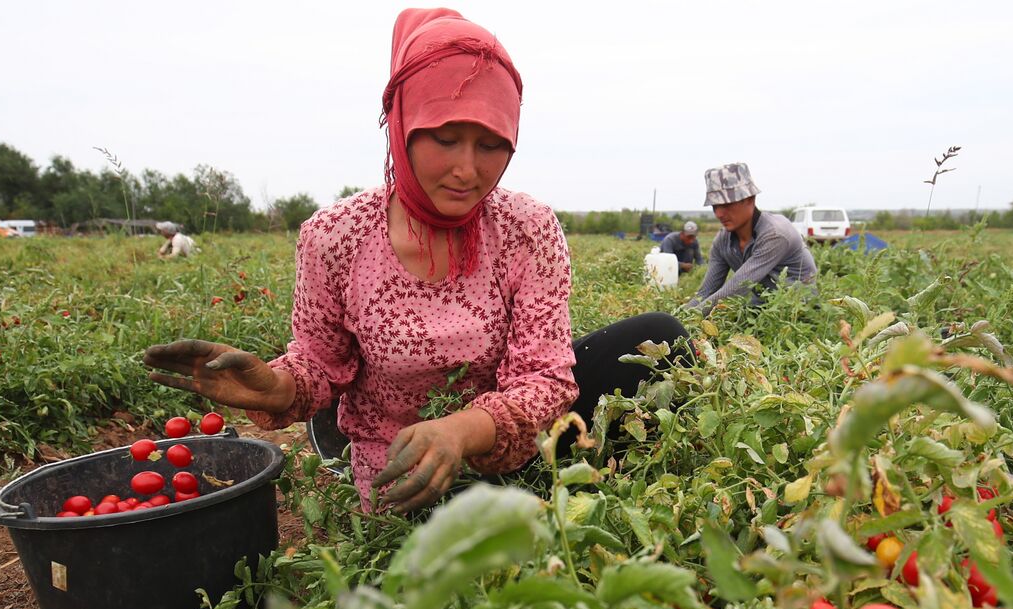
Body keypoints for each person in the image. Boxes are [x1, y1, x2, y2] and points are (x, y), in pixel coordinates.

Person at [143, 8, 688, 514]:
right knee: (439, 555)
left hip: (510, 436)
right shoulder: (336, 237)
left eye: (491, 143)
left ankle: (590, 480)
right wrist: (278, 387)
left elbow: (545, 378)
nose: (467, 170)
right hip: (406, 464)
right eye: (446, 139)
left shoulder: (526, 227)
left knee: (657, 335)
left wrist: (461, 430)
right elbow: (320, 364)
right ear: (401, 124)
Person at [686, 162, 817, 314]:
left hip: (798, 311)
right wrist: (677, 315)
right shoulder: (722, 241)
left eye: (727, 204)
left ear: (750, 199)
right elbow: (705, 292)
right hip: (760, 309)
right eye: (715, 206)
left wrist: (688, 319)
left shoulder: (774, 234)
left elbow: (736, 289)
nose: (719, 214)